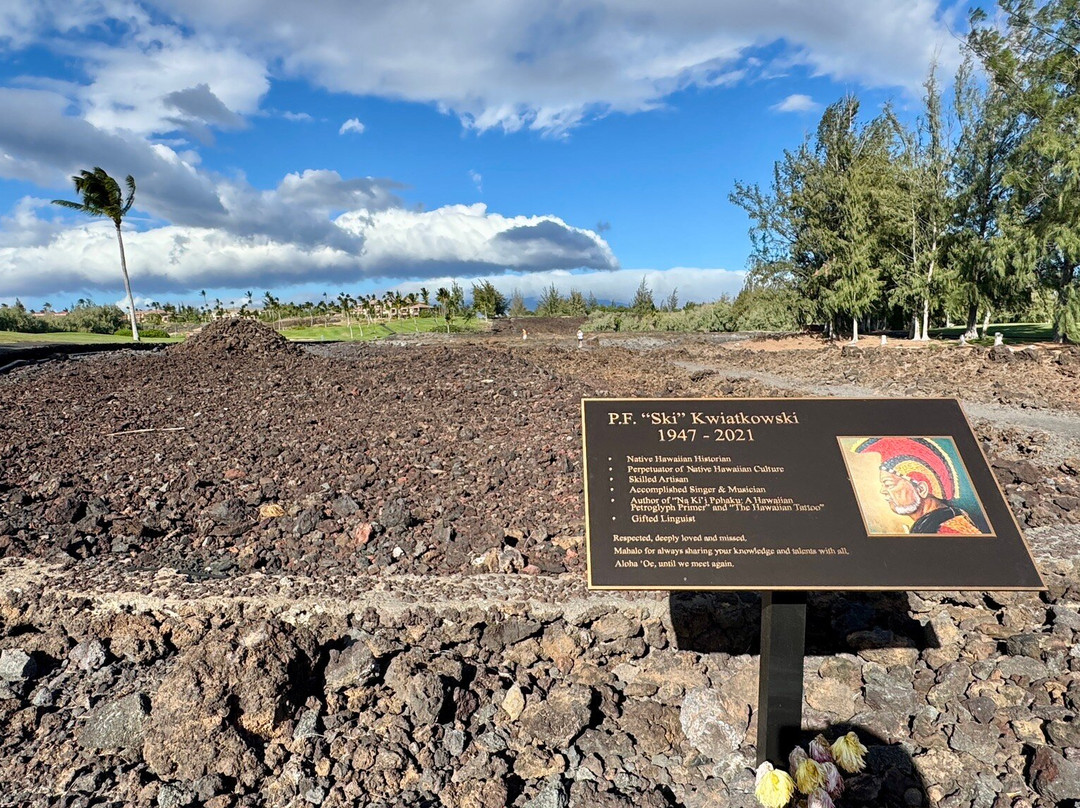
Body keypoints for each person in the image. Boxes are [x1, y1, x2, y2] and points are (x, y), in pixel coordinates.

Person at [852, 437, 986, 534]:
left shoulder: (950, 529)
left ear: (921, 489)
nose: (883, 491)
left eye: (888, 484)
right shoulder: (929, 526)